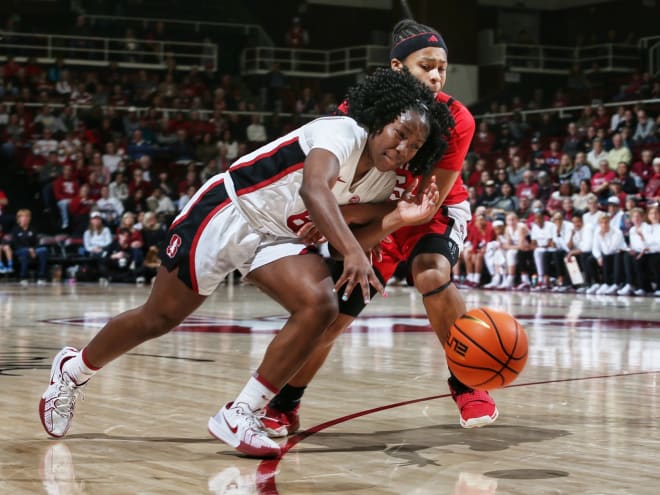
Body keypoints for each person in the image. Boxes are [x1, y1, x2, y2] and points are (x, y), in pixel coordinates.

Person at [38, 68, 452, 458]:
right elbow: (314, 190)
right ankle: (73, 370)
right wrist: (353, 249)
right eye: (399, 135)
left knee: (320, 305)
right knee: (158, 318)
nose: (402, 150)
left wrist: (396, 219)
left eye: (414, 146)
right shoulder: (340, 132)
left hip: (276, 237)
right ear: (378, 122)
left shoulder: (384, 181)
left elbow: (350, 237)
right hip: (229, 212)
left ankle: (242, 413)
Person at [262, 19, 501, 437]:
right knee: (334, 315)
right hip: (375, 210)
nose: (436, 75)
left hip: (432, 208)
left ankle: (467, 382)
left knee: (431, 271)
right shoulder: (356, 112)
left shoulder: (457, 118)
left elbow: (427, 202)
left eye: (442, 67)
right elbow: (340, 188)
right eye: (426, 65)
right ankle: (286, 404)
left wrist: (349, 222)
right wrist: (343, 221)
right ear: (396, 67)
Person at [11, 209, 49, 285]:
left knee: (43, 250)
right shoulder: (15, 229)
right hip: (19, 250)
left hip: (32, 249)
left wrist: (33, 249)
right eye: (23, 216)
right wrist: (29, 249)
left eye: (27, 216)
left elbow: (37, 242)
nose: (25, 218)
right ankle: (23, 277)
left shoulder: (33, 229)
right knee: (24, 252)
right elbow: (16, 244)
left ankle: (41, 276)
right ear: (19, 218)